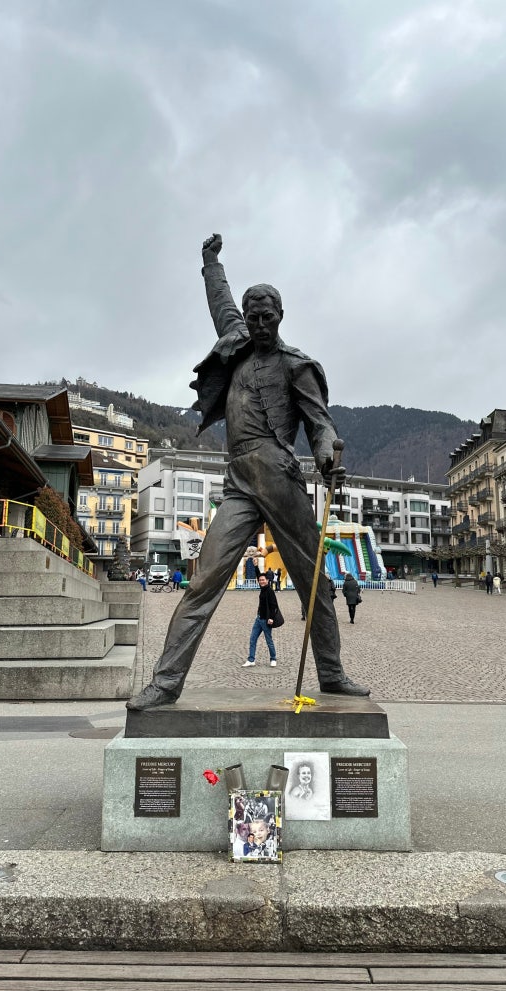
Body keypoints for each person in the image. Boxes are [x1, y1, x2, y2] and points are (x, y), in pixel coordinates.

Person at [127, 233, 369, 709]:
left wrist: (326, 455)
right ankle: (166, 682)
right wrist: (210, 263)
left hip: (279, 479)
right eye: (252, 317)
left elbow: (321, 424)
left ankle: (332, 674)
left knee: (313, 582)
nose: (259, 325)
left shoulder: (296, 366)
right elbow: (219, 302)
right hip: (238, 482)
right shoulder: (235, 345)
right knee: (204, 580)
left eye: (267, 317)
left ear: (281, 316)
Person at [244, 573, 279, 668]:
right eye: (260, 580)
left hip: (266, 620)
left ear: (267, 580)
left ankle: (273, 659)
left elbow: (274, 606)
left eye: (263, 580)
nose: (261, 581)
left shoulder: (270, 591)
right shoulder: (262, 588)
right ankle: (251, 660)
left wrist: (271, 618)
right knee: (253, 639)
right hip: (259, 619)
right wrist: (255, 566)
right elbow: (258, 574)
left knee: (269, 640)